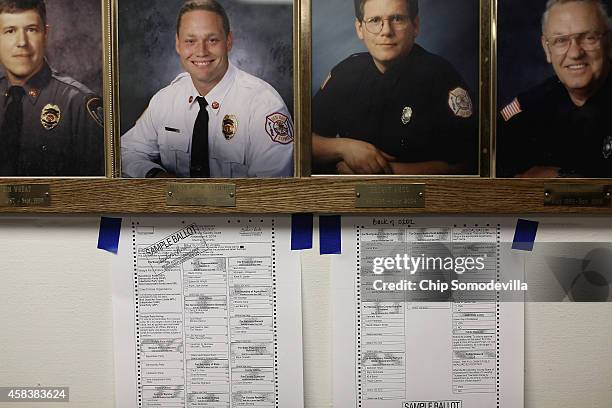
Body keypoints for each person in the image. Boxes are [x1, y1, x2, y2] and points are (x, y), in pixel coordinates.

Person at [121, 0, 294, 178]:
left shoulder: (264, 105)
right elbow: (125, 152)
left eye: (212, 40)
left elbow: (270, 191)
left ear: (228, 41)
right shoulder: (164, 100)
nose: (201, 51)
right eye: (190, 41)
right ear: (178, 44)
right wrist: (156, 176)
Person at [311, 0, 477, 175]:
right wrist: (344, 148)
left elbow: (469, 163)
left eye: (397, 19)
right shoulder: (345, 72)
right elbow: (305, 141)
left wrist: (380, 172)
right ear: (360, 28)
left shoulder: (441, 78)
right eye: (375, 20)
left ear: (415, 26)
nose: (386, 31)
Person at [498, 0, 612, 178]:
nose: (575, 53)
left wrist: (563, 178)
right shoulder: (528, 108)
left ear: (609, 43)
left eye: (589, 38)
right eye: (561, 41)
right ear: (547, 48)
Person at [0, 0, 104, 176]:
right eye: (10, 31)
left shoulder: (78, 104)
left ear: (45, 33)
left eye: (31, 29)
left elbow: (98, 193)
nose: (22, 42)